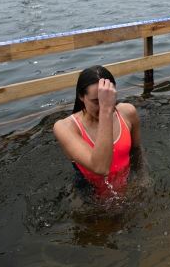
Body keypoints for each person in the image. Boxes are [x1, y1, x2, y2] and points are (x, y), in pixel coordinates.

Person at [53, 65, 143, 197]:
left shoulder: (127, 112)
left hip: (127, 186)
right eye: (97, 101)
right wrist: (106, 110)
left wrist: (142, 179)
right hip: (90, 197)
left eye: (107, 99)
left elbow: (137, 151)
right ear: (81, 96)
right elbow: (101, 168)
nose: (102, 106)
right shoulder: (65, 127)